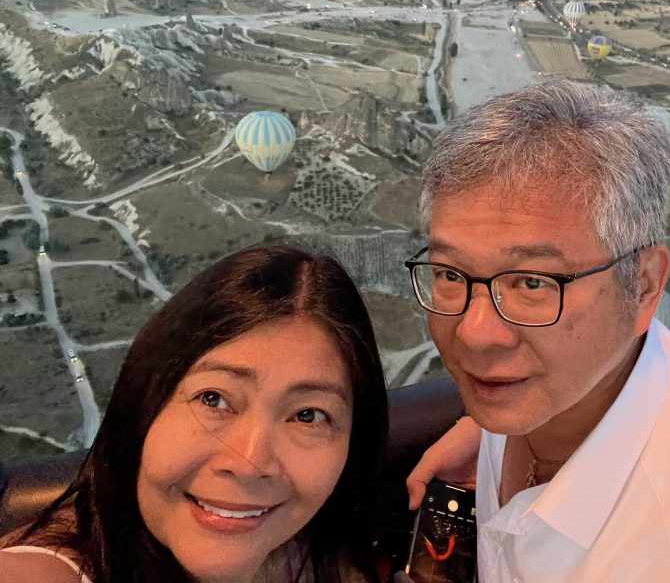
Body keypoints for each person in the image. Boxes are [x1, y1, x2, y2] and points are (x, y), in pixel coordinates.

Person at [402, 79, 670, 581]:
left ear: (644, 287)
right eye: (450, 274)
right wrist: (483, 429)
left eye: (534, 282)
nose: (475, 334)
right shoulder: (561, 387)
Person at [0, 245, 388, 583]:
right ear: (144, 407)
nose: (250, 462)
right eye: (213, 399)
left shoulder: (317, 551)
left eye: (307, 416)